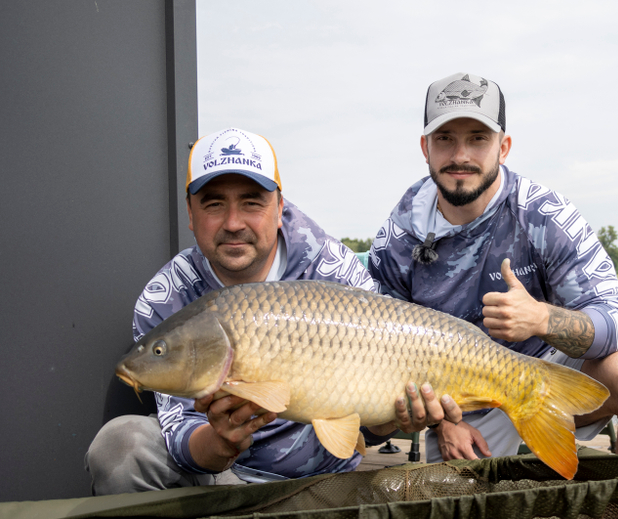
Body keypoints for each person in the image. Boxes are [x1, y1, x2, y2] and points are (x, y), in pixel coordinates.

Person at [86, 127, 460, 495]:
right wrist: (222, 442)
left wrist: (395, 420)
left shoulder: (334, 270)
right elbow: (180, 429)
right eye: (214, 204)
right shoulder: (165, 296)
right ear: (190, 212)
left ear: (280, 207)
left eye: (251, 202)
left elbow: (369, 421)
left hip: (321, 478)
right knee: (119, 447)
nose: (233, 223)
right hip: (216, 478)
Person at [368, 73, 618, 463]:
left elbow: (613, 321)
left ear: (504, 147)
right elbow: (380, 356)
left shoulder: (545, 215)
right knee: (462, 515)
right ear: (425, 147)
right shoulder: (398, 237)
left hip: (544, 372)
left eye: (478, 139)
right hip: (461, 408)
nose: (460, 155)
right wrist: (444, 420)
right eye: (445, 139)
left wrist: (541, 318)